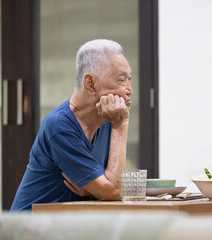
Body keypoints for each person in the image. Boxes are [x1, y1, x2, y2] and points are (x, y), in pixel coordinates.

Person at [10, 39, 132, 211]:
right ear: (90, 84)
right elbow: (114, 190)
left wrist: (96, 189)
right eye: (121, 80)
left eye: (129, 79)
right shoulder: (59, 125)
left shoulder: (108, 119)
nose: (129, 90)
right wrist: (121, 124)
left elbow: (120, 183)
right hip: (31, 230)